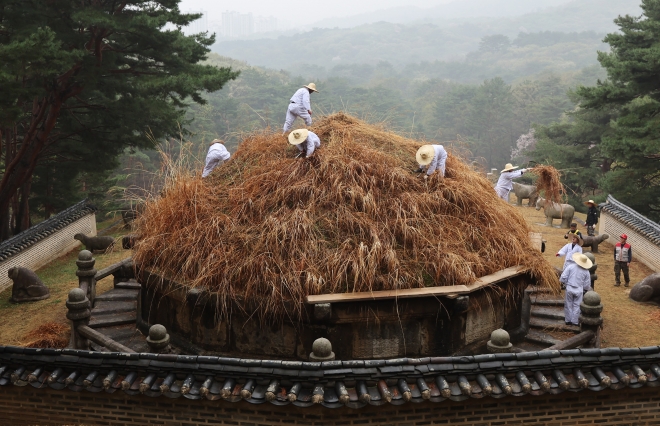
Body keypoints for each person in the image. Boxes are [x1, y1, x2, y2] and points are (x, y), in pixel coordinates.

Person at [560, 253, 593, 326]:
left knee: (568, 304)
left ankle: (568, 320)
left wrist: (565, 283)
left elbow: (563, 277)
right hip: (579, 289)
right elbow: (587, 284)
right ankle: (575, 321)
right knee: (577, 305)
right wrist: (585, 289)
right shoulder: (586, 272)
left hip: (569, 288)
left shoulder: (570, 267)